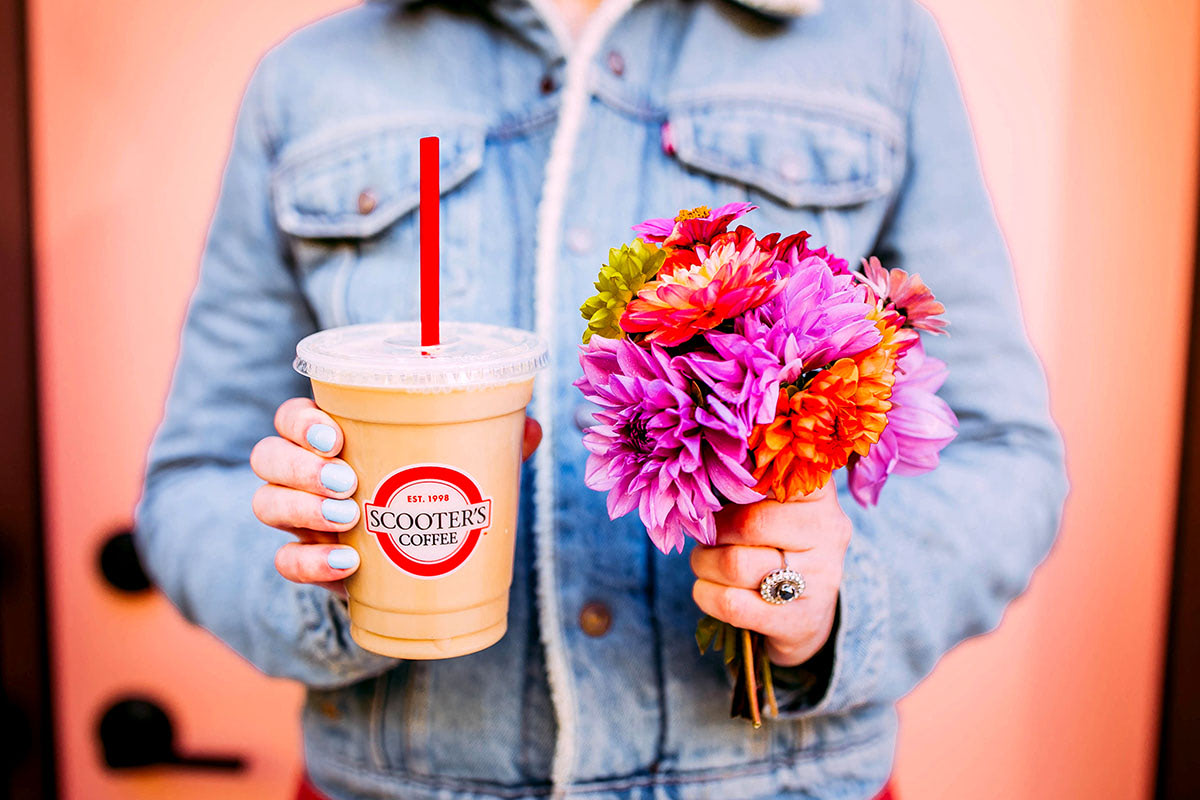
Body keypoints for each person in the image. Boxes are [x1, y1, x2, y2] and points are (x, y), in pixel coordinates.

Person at [135, 0, 1069, 798]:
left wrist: (830, 601)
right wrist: (329, 580)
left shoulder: (877, 46)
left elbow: (1002, 456)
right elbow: (192, 484)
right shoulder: (310, 81)